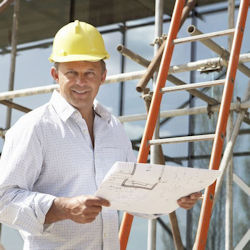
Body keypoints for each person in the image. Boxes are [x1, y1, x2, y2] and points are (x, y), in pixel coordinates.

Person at [0, 20, 201, 250]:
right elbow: (3, 200)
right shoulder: (34, 128)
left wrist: (172, 197)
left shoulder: (113, 128)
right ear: (55, 75)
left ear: (103, 76)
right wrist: (62, 208)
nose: (80, 82)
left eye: (89, 73)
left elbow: (132, 193)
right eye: (71, 73)